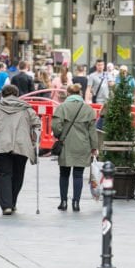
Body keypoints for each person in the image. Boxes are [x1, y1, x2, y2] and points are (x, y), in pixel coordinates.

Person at [0, 85, 41, 215]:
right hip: (21, 145)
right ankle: (13, 202)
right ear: (17, 94)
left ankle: (6, 206)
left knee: (4, 175)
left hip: (1, 145)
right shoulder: (26, 107)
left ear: (3, 94)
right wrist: (33, 137)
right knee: (18, 175)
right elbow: (37, 123)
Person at [51, 84, 97, 212]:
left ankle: (63, 202)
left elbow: (56, 126)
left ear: (68, 93)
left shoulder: (62, 108)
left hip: (66, 144)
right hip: (83, 145)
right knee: (78, 175)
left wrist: (59, 135)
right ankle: (76, 203)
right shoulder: (88, 109)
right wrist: (94, 147)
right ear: (80, 93)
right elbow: (92, 131)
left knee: (64, 174)